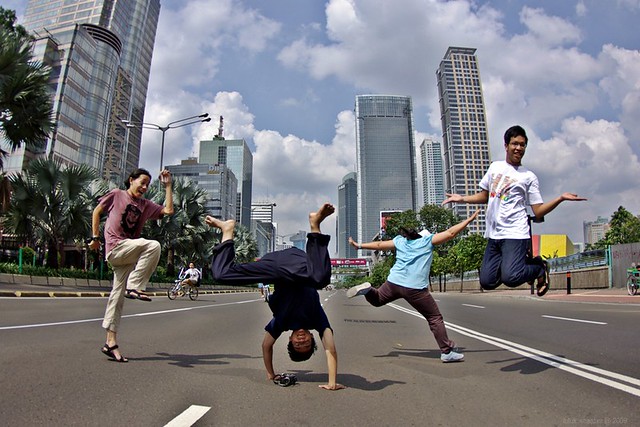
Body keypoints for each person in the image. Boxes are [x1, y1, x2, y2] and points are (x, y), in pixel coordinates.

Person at [205, 203, 345, 390]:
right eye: (306, 344)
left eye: (297, 345)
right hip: (296, 264)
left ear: (289, 340)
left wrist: (271, 373)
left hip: (272, 266)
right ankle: (315, 225)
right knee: (319, 279)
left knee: (221, 274)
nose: (301, 341)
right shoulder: (317, 319)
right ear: (313, 338)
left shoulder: (281, 323)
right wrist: (332, 382)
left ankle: (227, 230)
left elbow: (266, 346)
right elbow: (331, 349)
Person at [442, 125, 587, 296]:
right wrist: (462, 199)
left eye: (522, 144)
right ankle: (520, 265)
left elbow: (538, 211)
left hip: (515, 233)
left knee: (511, 277)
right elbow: (486, 196)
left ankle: (539, 268)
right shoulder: (495, 167)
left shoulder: (528, 177)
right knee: (487, 281)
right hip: (495, 234)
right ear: (506, 146)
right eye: (514, 144)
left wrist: (560, 198)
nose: (518, 148)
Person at [346, 210, 479, 363]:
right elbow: (450, 233)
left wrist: (359, 245)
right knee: (434, 317)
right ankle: (447, 351)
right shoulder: (427, 241)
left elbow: (379, 245)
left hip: (394, 282)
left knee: (376, 300)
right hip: (414, 288)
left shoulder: (401, 241)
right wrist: (469, 220)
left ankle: (368, 290)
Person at [89, 168, 174, 363]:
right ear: (131, 180)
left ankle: (110, 343)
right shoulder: (117, 195)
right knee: (153, 245)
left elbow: (168, 210)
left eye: (147, 185)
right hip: (116, 248)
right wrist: (94, 237)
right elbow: (97, 211)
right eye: (141, 182)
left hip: (128, 253)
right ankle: (134, 285)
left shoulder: (145, 205)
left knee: (116, 298)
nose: (144, 187)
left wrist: (168, 186)